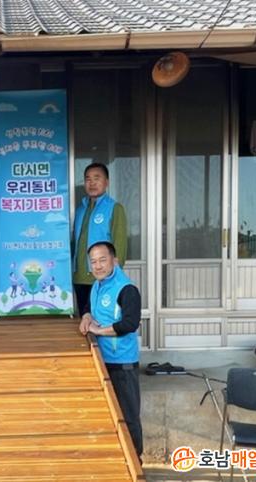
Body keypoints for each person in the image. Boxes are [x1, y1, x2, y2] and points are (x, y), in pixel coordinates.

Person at [79, 241, 143, 458]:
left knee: (128, 416)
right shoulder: (97, 285)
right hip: (101, 360)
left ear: (114, 261)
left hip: (122, 363)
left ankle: (136, 461)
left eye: (102, 260)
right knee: (107, 415)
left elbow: (129, 324)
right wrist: (86, 317)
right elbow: (89, 307)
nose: (97, 266)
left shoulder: (127, 289)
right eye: (93, 262)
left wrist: (98, 330)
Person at [73, 162, 127, 314]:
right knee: (84, 319)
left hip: (102, 277)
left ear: (106, 182)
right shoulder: (80, 209)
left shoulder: (114, 208)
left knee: (102, 319)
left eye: (97, 178)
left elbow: (120, 245)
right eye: (88, 179)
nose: (92, 183)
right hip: (79, 278)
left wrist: (113, 276)